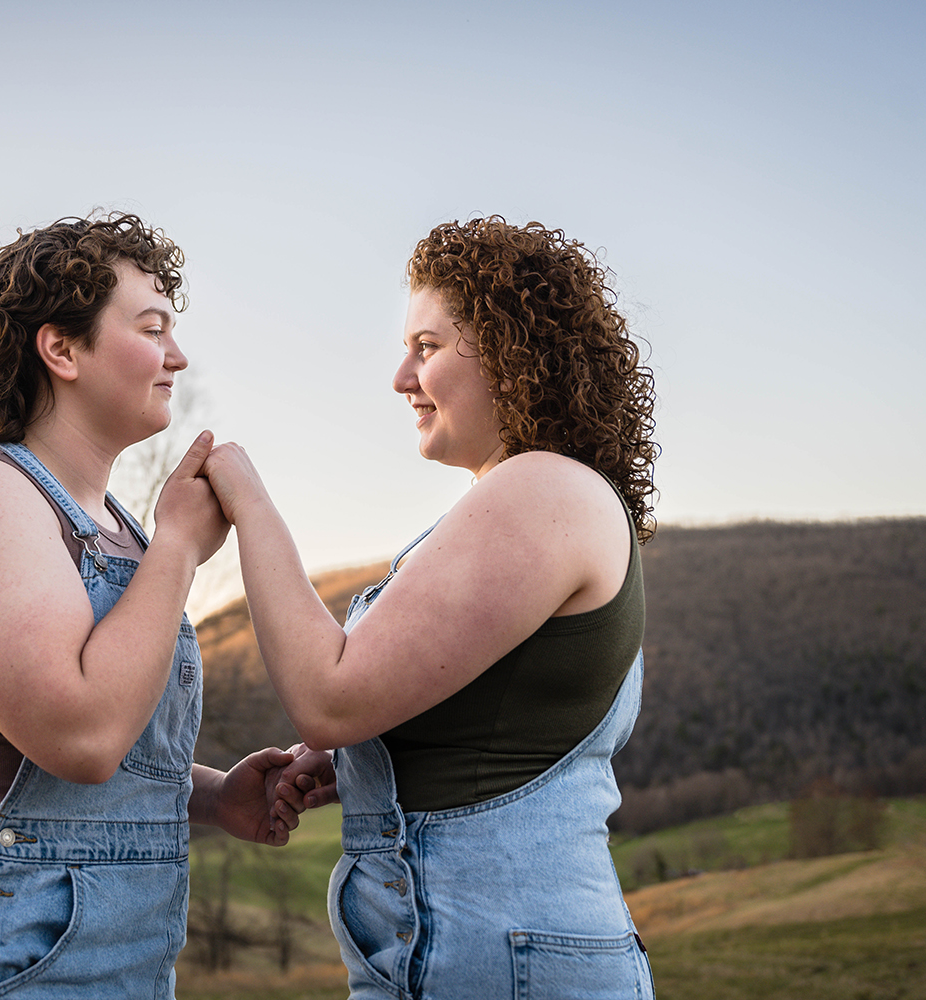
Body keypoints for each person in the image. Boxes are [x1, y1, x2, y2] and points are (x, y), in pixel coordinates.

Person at [0, 213, 326, 1000]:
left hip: (105, 958)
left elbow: (94, 754)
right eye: (151, 327)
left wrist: (211, 795)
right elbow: (82, 734)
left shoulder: (114, 524)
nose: (178, 356)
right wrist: (178, 548)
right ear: (61, 349)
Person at [203, 216, 659, 999]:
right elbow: (504, 727)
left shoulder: (542, 490)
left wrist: (247, 500)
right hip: (484, 957)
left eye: (428, 347)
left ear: (515, 352)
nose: (400, 378)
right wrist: (369, 761)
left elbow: (327, 695)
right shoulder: (544, 498)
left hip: (498, 963)